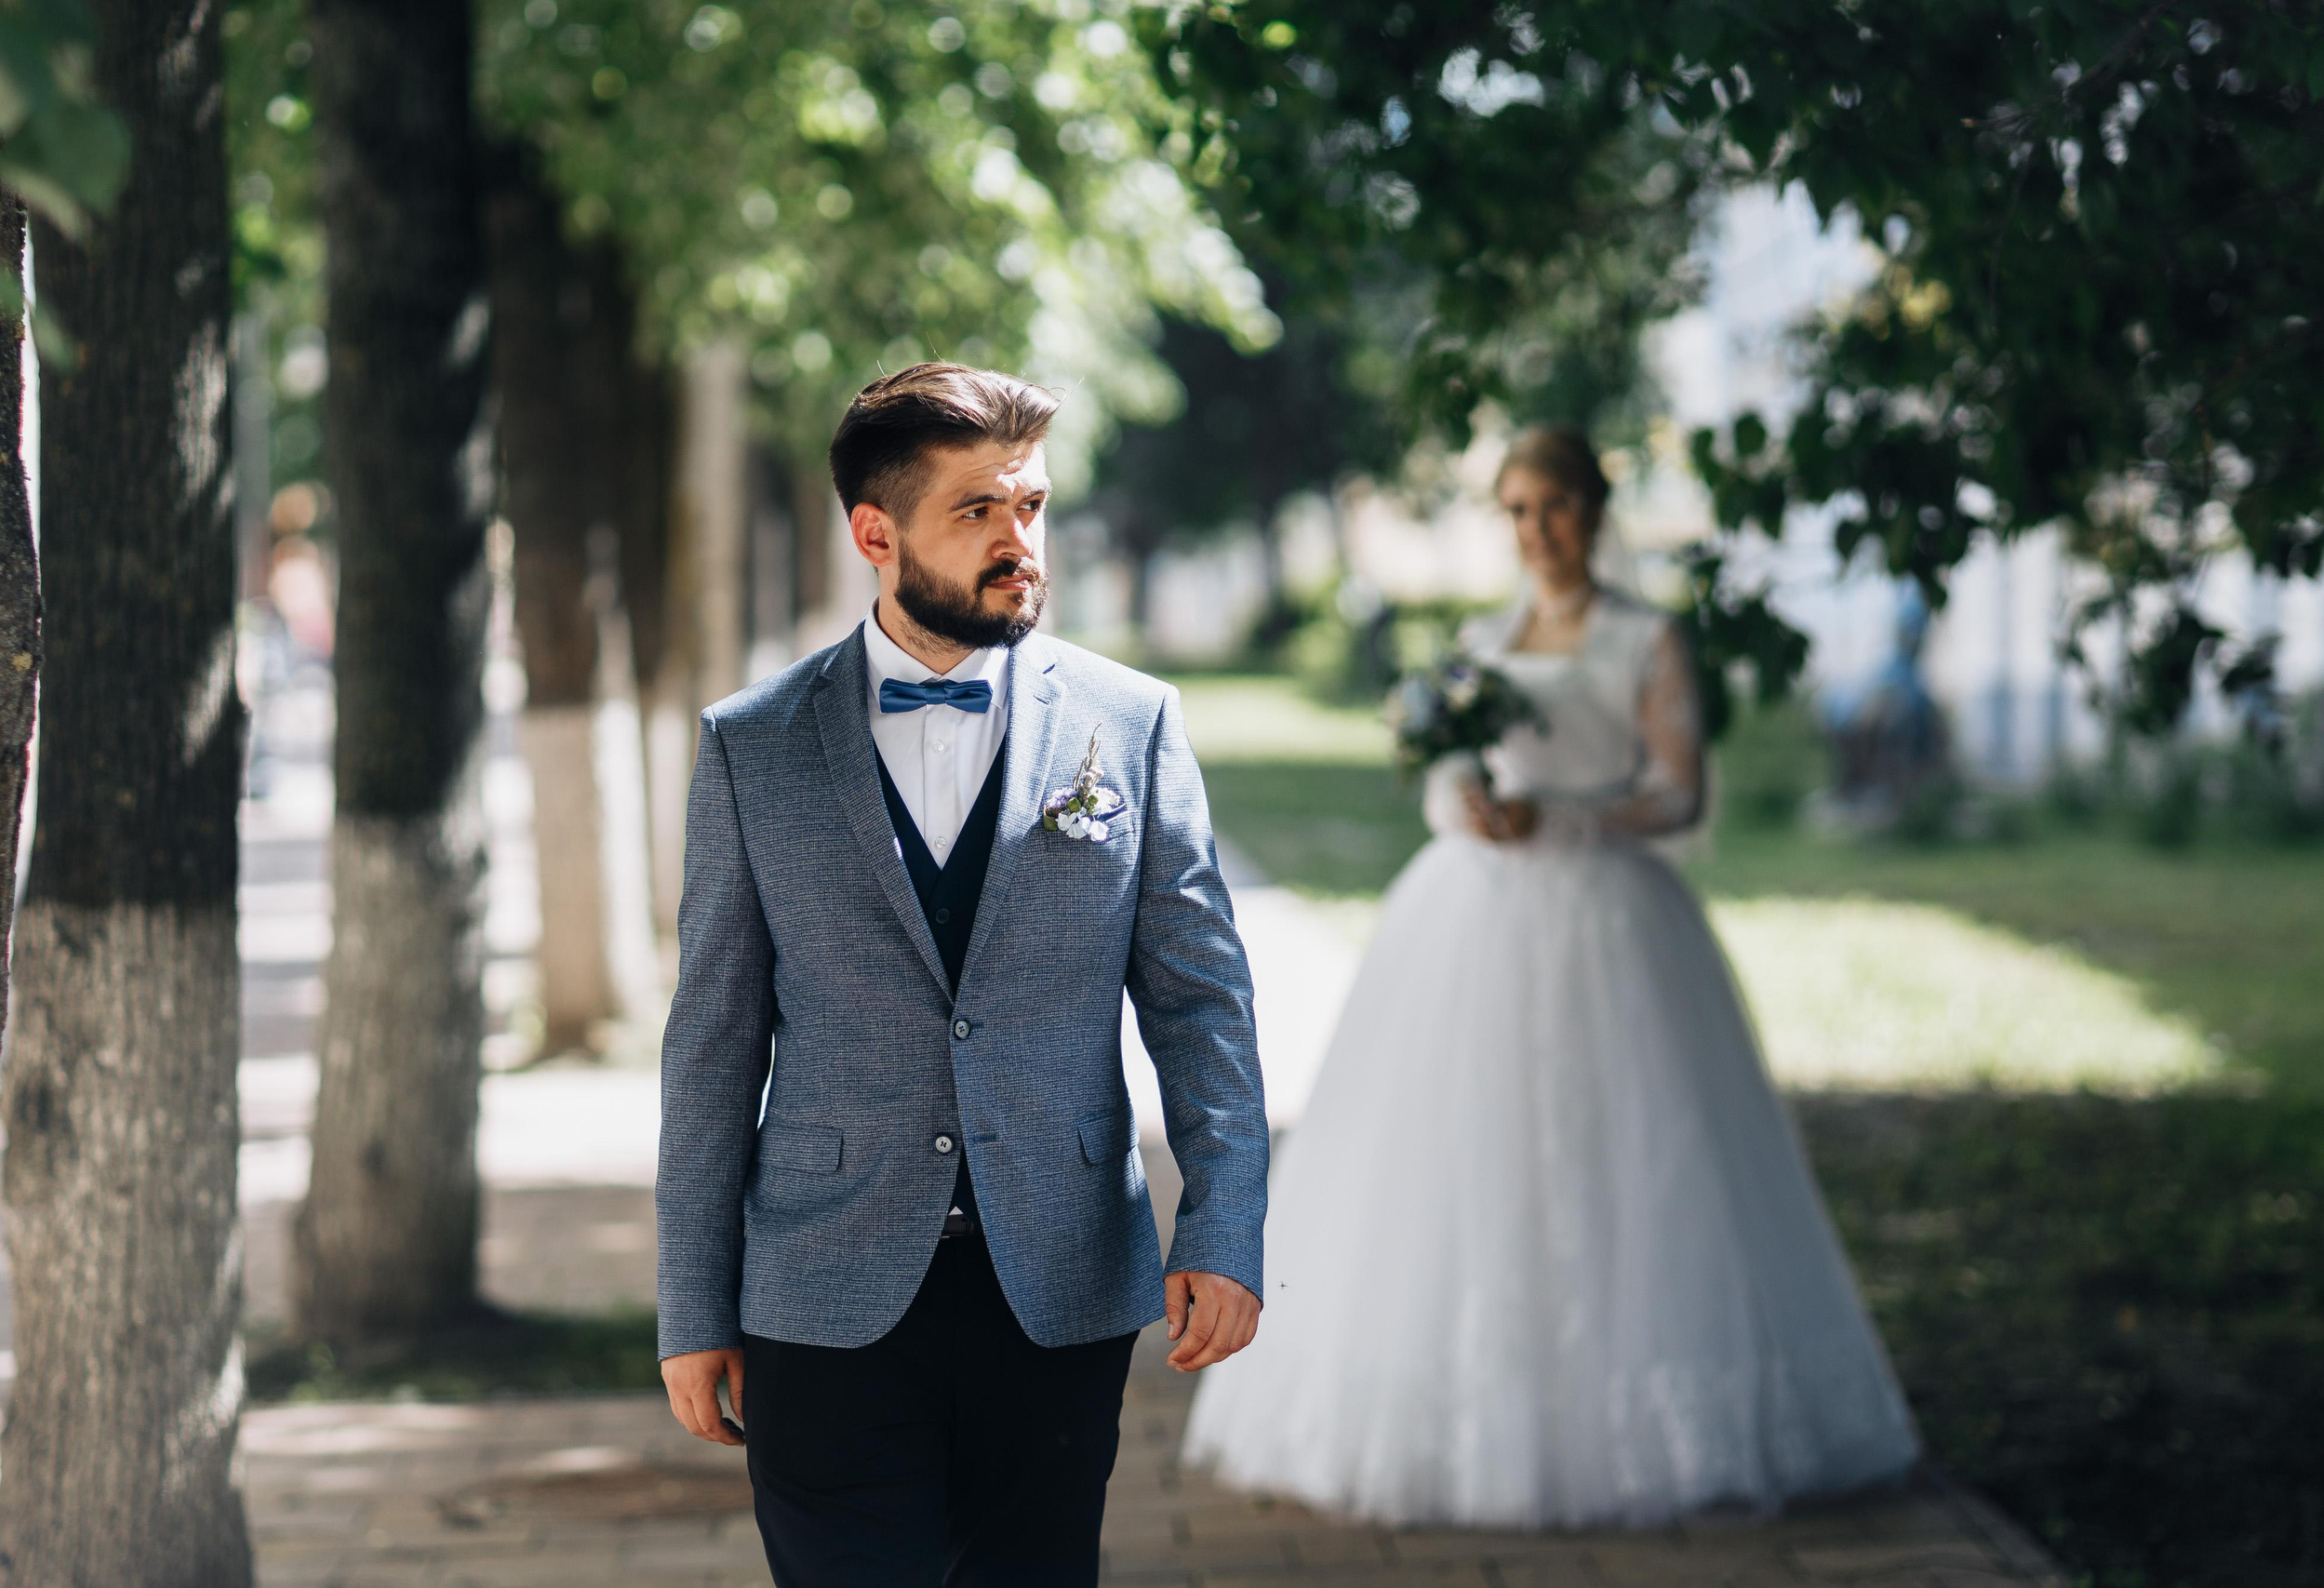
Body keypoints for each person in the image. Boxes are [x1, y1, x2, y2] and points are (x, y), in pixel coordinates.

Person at [1179, 428, 1918, 1528]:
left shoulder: (1643, 636)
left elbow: (1678, 793)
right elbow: (1445, 773)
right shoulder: (1483, 635)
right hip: (1468, 918)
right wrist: (1462, 807)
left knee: (1631, 1155)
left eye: (1557, 506)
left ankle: (1634, 1419)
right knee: (1461, 1155)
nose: (1539, 531)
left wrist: (1564, 820)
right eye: (1519, 511)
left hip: (1610, 916)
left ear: (1596, 510)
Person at [654, 363, 1270, 1584]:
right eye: (977, 510)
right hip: (822, 1290)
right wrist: (693, 1302)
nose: (1018, 541)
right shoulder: (751, 746)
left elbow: (1202, 1003)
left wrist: (1225, 1219)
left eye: (1030, 506)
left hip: (1057, 1279)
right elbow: (714, 1042)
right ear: (875, 534)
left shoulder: (1132, 723)